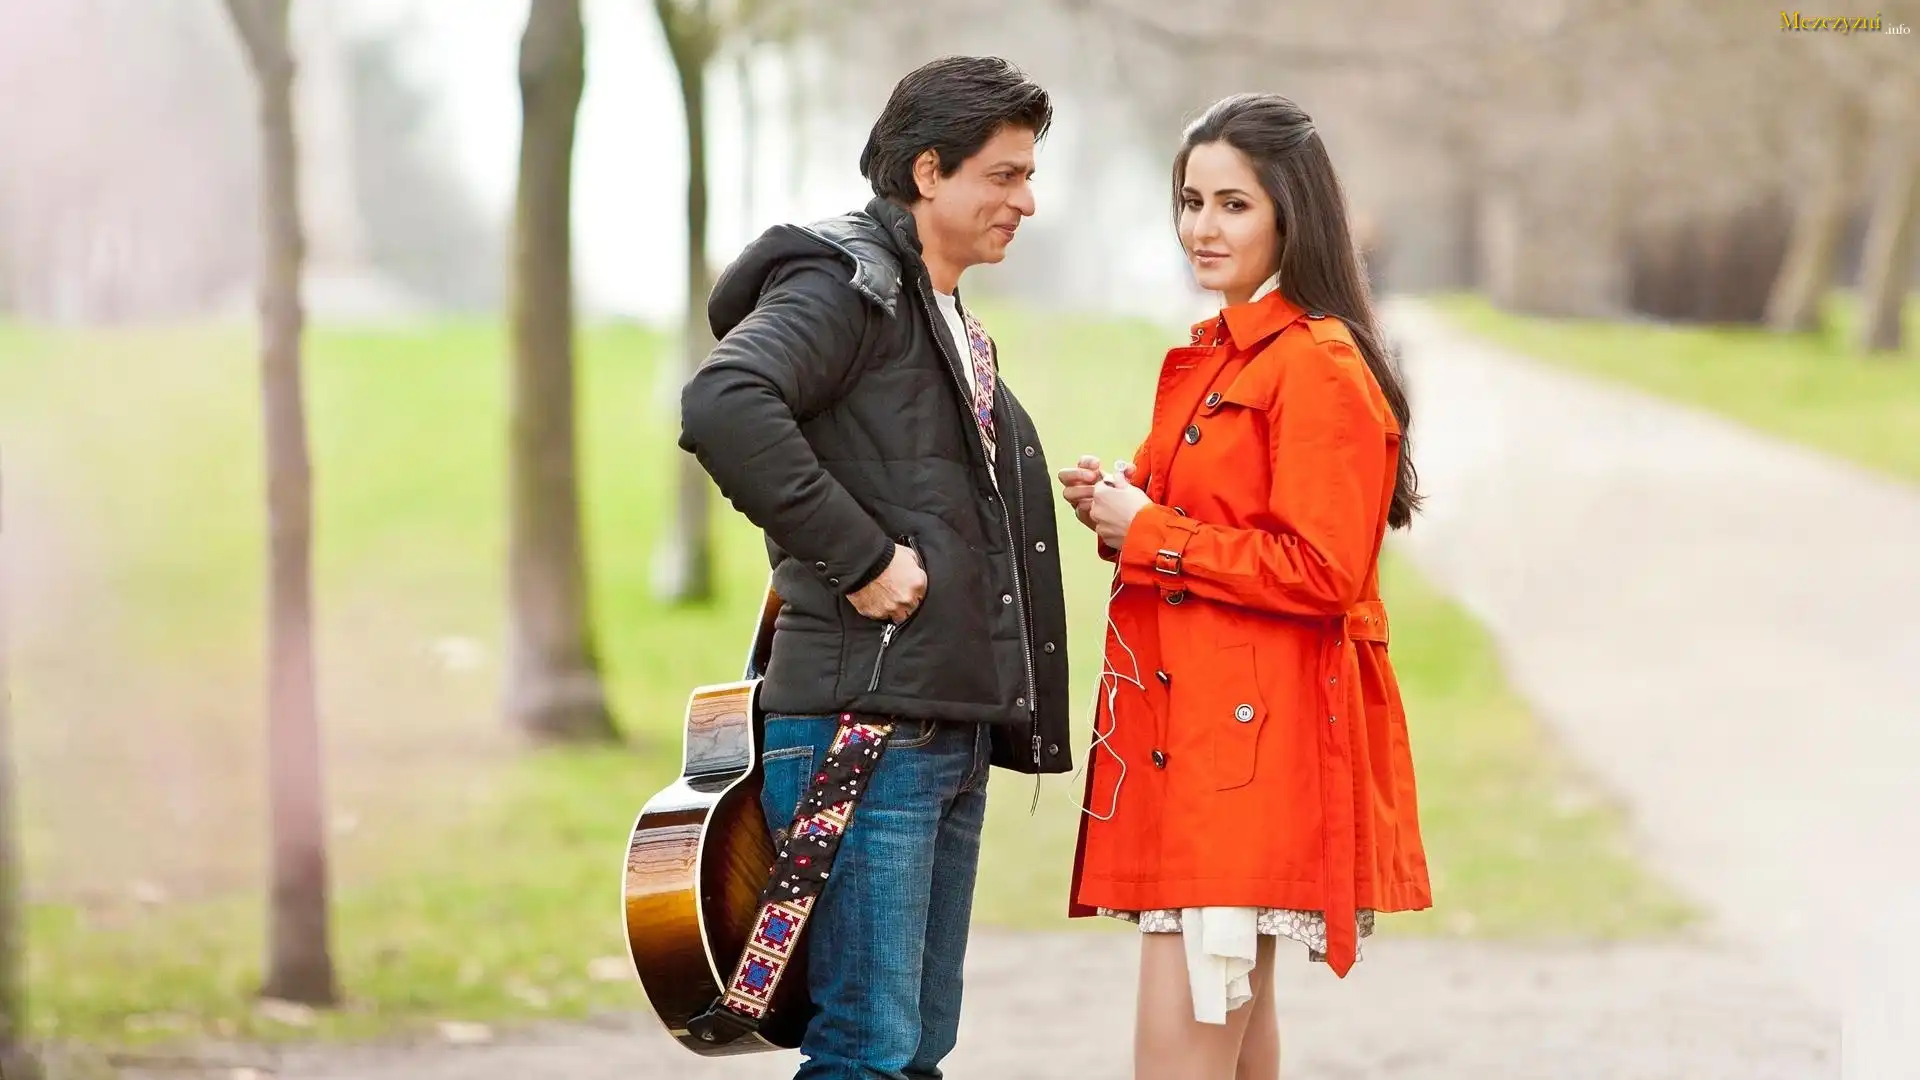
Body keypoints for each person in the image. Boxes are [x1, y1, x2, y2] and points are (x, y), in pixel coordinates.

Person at [678, 56, 1072, 1080]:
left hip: (940, 730)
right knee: (867, 1048)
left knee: (915, 1048)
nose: (1026, 202)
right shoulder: (846, 285)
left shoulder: (941, 314)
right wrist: (861, 560)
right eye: (1004, 176)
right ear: (928, 171)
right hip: (865, 734)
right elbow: (725, 402)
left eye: (1029, 177)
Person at [1057, 92, 1433, 1080]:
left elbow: (1324, 571)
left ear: (1289, 215)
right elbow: (1203, 524)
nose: (1203, 228)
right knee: (1232, 1053)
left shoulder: (1316, 364)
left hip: (1243, 762)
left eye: (1233, 205)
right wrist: (1120, 505)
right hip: (1195, 746)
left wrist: (1153, 531)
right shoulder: (1215, 353)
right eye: (1192, 202)